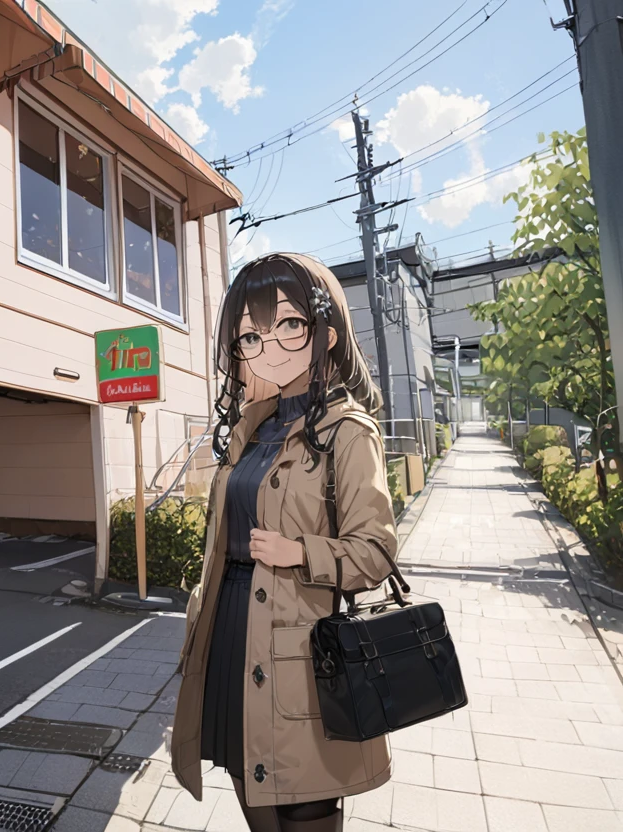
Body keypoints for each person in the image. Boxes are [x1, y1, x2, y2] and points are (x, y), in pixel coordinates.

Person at [171, 253, 398, 831]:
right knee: (251, 790)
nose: (269, 346)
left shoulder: (348, 432)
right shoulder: (252, 428)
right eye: (251, 335)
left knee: (305, 807)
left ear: (325, 333)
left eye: (289, 325)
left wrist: (300, 552)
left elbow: (376, 552)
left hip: (300, 654)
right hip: (231, 637)